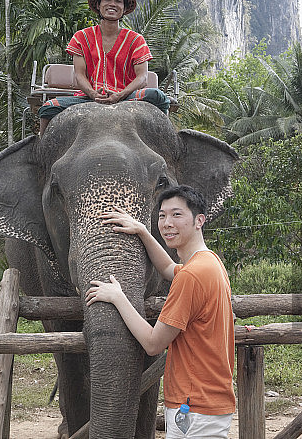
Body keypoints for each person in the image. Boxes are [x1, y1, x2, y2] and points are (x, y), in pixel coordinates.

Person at [85, 185, 235, 438]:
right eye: (162, 216)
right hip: (208, 401)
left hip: (194, 406)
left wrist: (118, 297)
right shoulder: (210, 263)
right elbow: (167, 269)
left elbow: (153, 344)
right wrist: (142, 231)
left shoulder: (191, 276)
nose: (167, 223)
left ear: (199, 221)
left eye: (177, 215)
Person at [38, 0, 170, 133]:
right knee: (48, 107)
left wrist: (120, 95)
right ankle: (40, 147)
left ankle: (168, 142)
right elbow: (79, 75)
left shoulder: (136, 40)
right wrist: (93, 94)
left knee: (158, 96)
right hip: (89, 97)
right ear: (98, 5)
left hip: (127, 96)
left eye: (118, 0)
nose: (112, 4)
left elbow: (143, 78)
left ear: (124, 8)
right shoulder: (81, 37)